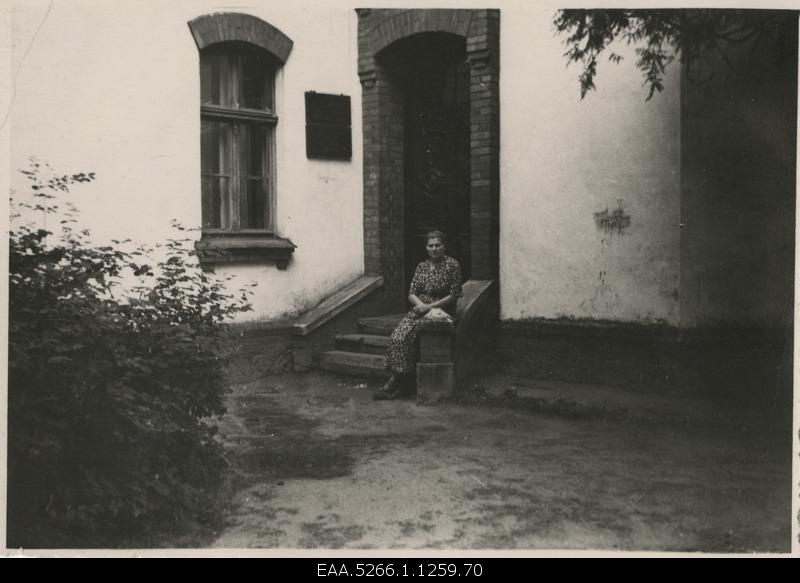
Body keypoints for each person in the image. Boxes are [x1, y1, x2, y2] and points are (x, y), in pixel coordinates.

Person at [374, 230, 463, 400]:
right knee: (398, 337)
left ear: (444, 246)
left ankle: (399, 384)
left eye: (438, 245)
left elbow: (454, 294)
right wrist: (421, 305)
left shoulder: (453, 265)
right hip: (420, 308)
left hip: (440, 311)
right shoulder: (421, 267)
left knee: (413, 339)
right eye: (431, 246)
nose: (434, 249)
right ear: (426, 248)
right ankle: (401, 379)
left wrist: (429, 306)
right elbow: (411, 293)